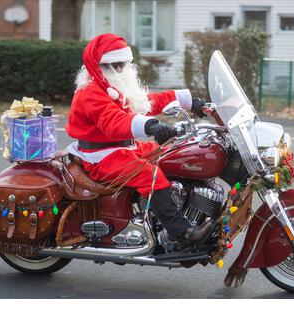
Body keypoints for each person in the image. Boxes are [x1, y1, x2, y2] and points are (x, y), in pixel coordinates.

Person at [65, 33, 210, 246]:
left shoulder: (114, 87)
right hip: (100, 156)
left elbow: (145, 102)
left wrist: (188, 102)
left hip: (123, 148)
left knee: (174, 155)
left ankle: (169, 211)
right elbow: (113, 121)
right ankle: (182, 233)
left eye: (123, 64)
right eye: (114, 65)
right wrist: (151, 126)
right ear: (99, 66)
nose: (120, 69)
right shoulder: (89, 92)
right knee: (149, 175)